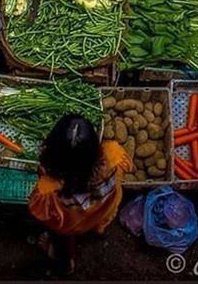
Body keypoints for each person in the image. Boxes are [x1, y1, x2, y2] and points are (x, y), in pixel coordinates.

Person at [28, 115, 133, 275]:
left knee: (61, 242)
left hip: (72, 225)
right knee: (99, 219)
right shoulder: (115, 155)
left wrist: (43, 173)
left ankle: (65, 265)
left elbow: (42, 214)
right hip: (105, 210)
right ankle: (98, 229)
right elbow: (124, 168)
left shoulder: (48, 189)